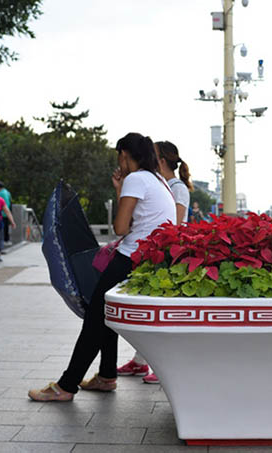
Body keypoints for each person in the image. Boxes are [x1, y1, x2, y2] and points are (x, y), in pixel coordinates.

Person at [28, 132, 176, 402]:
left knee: (95, 319)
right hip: (148, 260)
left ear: (123, 154)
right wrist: (120, 190)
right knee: (108, 314)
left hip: (129, 258)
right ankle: (107, 376)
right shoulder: (158, 180)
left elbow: (121, 228)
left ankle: (66, 386)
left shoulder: (136, 178)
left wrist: (122, 188)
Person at [116, 140, 192, 385]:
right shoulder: (158, 183)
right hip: (152, 251)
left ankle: (158, 365)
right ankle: (140, 361)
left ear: (160, 160)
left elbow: (174, 225)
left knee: (157, 313)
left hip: (163, 253)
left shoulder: (175, 188)